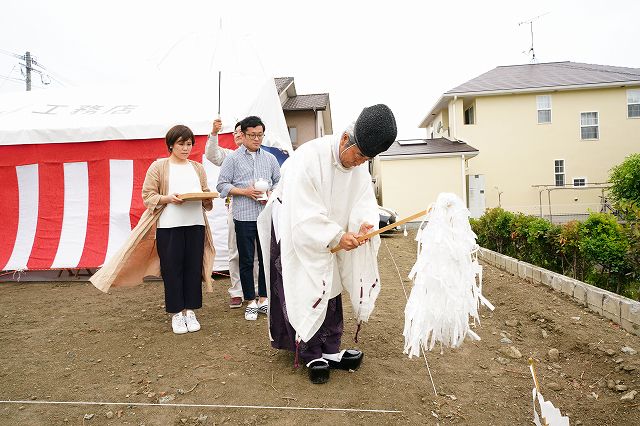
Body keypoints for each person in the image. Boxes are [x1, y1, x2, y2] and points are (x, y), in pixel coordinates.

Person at [257, 104, 397, 384]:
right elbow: (302, 212)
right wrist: (335, 235)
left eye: (366, 159)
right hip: (297, 230)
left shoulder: (358, 165)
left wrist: (362, 226)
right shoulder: (308, 158)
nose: (360, 163)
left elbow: (363, 201)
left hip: (333, 234)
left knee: (330, 283)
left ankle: (330, 347)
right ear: (346, 139)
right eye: (358, 155)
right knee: (307, 281)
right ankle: (309, 351)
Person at [90, 124, 215, 335]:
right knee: (172, 269)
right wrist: (168, 198)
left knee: (193, 269)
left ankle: (191, 311)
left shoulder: (197, 167)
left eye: (189, 144)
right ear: (171, 145)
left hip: (196, 224)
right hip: (169, 226)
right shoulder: (159, 167)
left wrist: (206, 197)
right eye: (181, 144)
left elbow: (204, 194)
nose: (186, 148)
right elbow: (148, 196)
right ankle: (177, 313)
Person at [216, 116, 281, 321]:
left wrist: (271, 193)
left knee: (265, 258)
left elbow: (280, 182)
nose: (256, 139)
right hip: (243, 215)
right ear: (242, 135)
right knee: (245, 259)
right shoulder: (232, 158)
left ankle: (263, 298)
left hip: (265, 215)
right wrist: (245, 192)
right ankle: (250, 300)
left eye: (260, 135)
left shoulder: (269, 159)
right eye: (252, 135)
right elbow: (222, 185)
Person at [205, 118, 259, 309]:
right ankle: (237, 290)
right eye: (235, 132)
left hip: (260, 209)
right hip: (237, 208)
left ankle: (255, 289)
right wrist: (214, 133)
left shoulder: (261, 155)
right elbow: (212, 155)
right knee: (236, 251)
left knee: (256, 252)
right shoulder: (230, 156)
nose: (238, 134)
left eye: (240, 131)